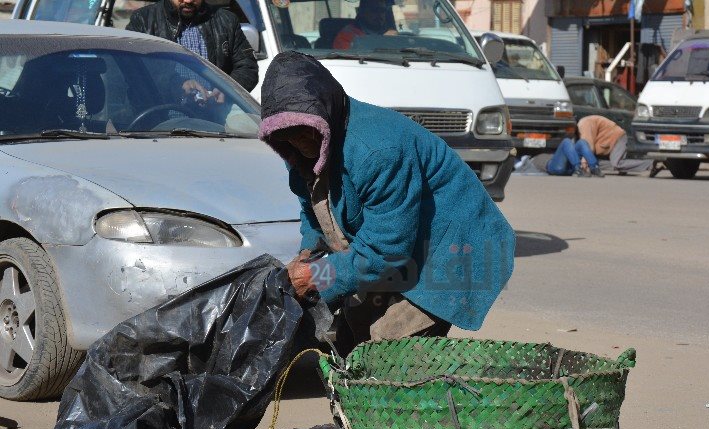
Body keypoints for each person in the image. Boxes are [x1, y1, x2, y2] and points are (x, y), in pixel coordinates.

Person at [259, 51, 515, 350]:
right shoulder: (302, 151)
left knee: (387, 347)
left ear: (325, 112)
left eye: (305, 132)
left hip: (450, 248)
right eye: (288, 135)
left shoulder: (377, 150)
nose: (301, 142)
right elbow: (312, 209)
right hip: (394, 247)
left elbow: (385, 253)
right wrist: (309, 252)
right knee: (352, 337)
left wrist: (318, 275)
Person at [127, 0, 258, 94]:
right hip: (160, 116)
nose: (188, 1)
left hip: (217, 117)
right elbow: (132, 67)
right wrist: (177, 84)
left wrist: (227, 91)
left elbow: (247, 66)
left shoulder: (226, 21)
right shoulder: (143, 21)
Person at [577, 115, 652, 174]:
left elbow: (589, 147)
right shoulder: (582, 126)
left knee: (616, 163)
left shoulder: (583, 125)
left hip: (617, 138)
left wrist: (584, 163)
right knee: (596, 162)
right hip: (609, 142)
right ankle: (623, 168)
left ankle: (650, 164)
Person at [333, 0, 397, 50]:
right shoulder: (347, 34)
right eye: (374, 10)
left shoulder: (391, 32)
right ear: (362, 12)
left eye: (382, 10)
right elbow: (349, 59)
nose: (379, 14)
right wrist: (382, 40)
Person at [528, 138, 603, 177]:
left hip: (569, 167)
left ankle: (594, 167)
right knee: (566, 141)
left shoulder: (553, 154)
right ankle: (579, 169)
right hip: (555, 168)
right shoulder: (534, 158)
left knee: (582, 142)